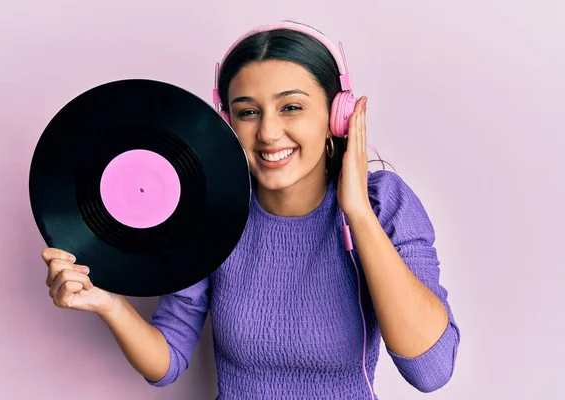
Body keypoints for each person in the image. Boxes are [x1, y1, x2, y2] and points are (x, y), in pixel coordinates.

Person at [41, 20, 460, 399]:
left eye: (291, 106)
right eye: (247, 112)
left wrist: (358, 212)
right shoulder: (208, 211)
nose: (269, 132)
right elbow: (166, 361)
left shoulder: (384, 202)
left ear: (337, 116)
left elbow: (430, 371)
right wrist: (107, 304)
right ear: (226, 121)